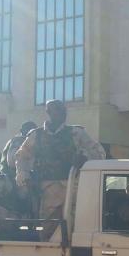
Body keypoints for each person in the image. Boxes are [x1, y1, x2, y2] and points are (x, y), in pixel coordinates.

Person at [15, 100, 106, 236]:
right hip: (48, 189)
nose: (62, 112)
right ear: (48, 112)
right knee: (48, 229)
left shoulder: (76, 133)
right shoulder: (36, 135)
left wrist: (85, 157)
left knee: (75, 227)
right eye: (57, 109)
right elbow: (21, 157)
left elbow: (100, 153)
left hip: (74, 186)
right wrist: (25, 178)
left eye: (63, 110)